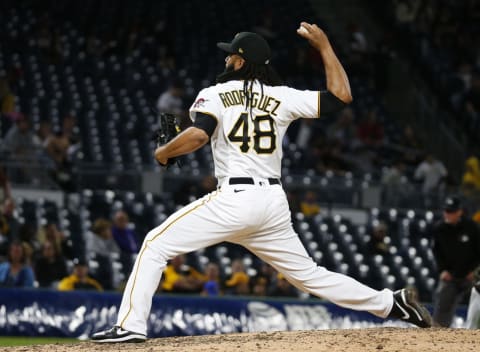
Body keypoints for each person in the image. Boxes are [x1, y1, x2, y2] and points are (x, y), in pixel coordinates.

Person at [92, 23, 432, 343]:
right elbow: (340, 96)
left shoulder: (215, 93)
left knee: (154, 244)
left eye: (231, 54)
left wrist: (163, 153)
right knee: (309, 275)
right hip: (272, 203)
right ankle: (391, 303)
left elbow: (197, 135)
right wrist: (325, 47)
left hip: (235, 198)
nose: (226, 58)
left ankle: (129, 326)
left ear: (241, 60)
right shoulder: (281, 96)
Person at [431, 195, 480, 327]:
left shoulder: (471, 227)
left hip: (470, 275)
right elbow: (436, 252)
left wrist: (474, 271)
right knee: (442, 299)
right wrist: (442, 270)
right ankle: (437, 335)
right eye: (446, 211)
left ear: (459, 212)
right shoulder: (439, 229)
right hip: (450, 275)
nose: (447, 214)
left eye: (451, 211)